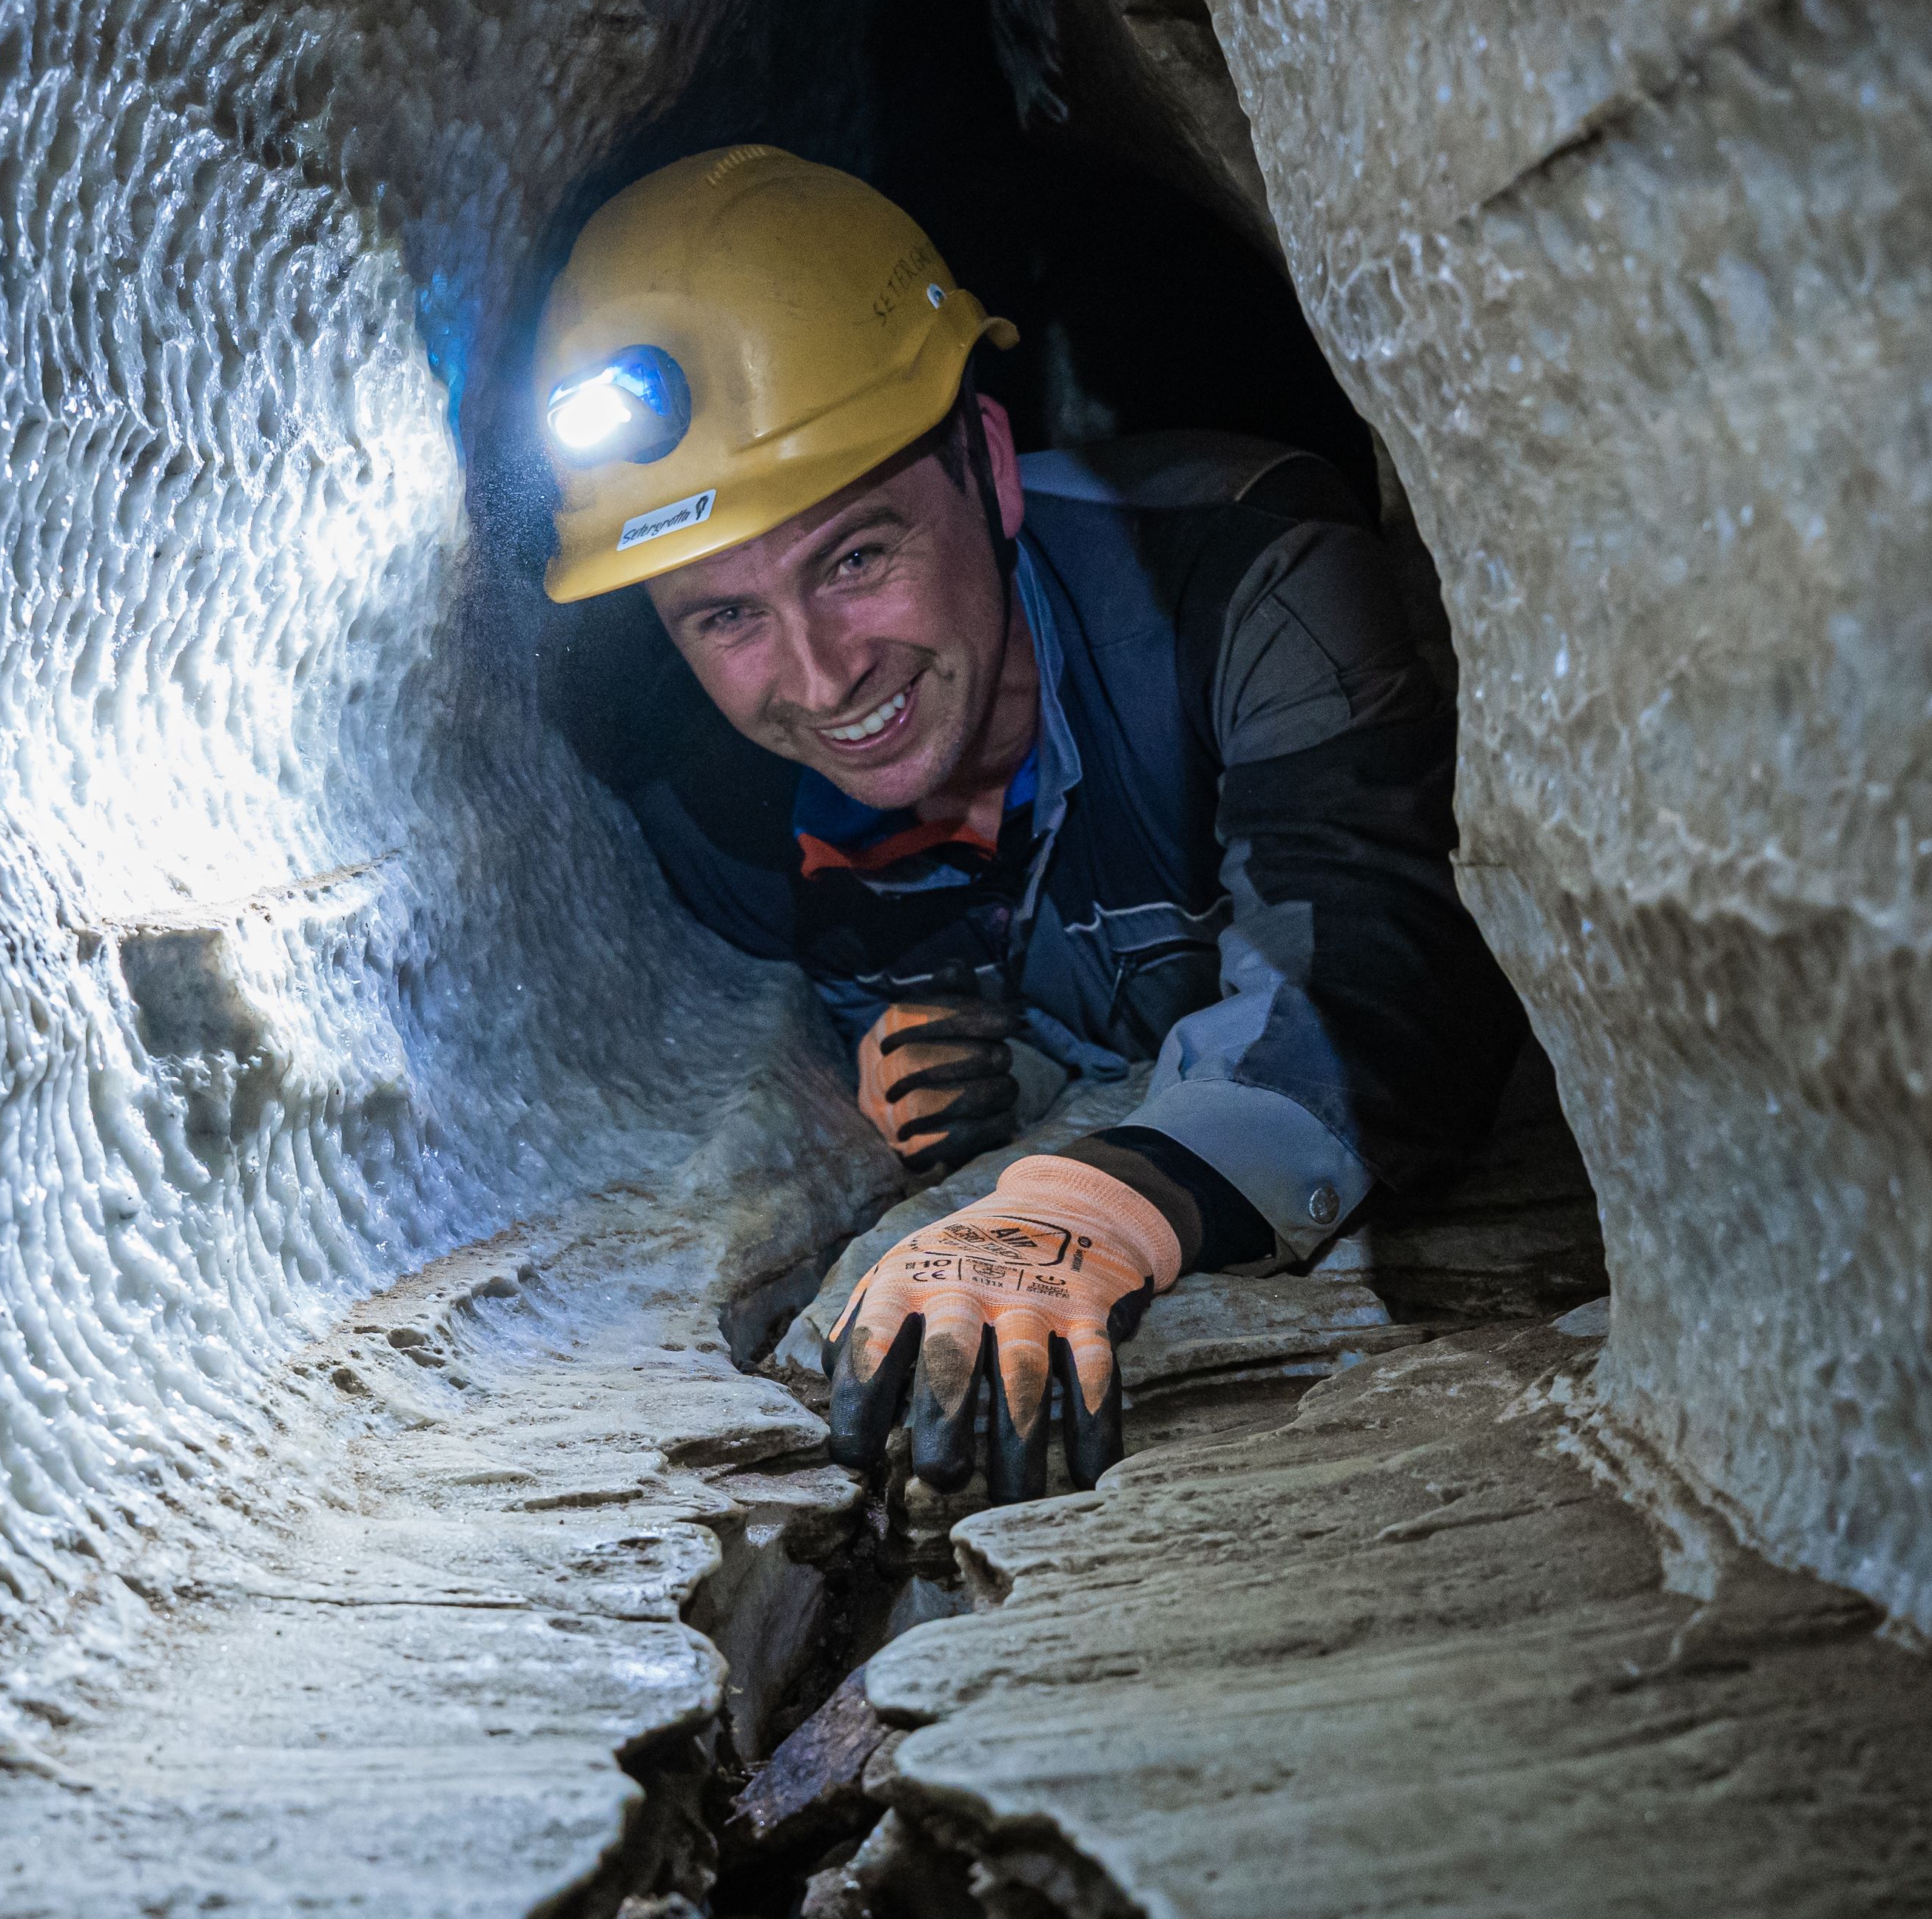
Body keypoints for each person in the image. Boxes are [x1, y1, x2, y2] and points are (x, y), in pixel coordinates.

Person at [534, 145, 1523, 1500]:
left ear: (990, 469)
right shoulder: (718, 812)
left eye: (857, 559)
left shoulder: (1242, 584)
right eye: (725, 615)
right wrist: (936, 1072)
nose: (822, 677)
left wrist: (1095, 1200)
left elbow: (1387, 980)